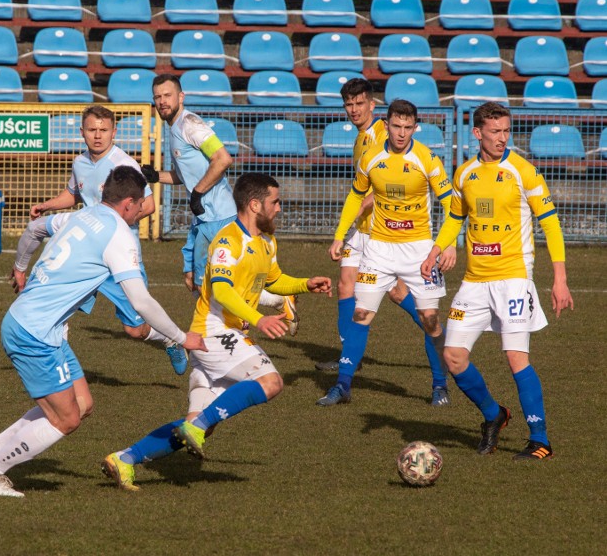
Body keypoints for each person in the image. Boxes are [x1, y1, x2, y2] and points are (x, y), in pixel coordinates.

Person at [0, 166, 206, 497]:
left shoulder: (81, 215)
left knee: (82, 403)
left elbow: (36, 227)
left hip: (40, 327)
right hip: (34, 333)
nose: (142, 212)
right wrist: (181, 337)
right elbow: (141, 301)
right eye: (141, 206)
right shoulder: (119, 234)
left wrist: (21, 267)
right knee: (66, 419)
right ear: (128, 204)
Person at [101, 172, 332, 491]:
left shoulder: (266, 241)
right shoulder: (227, 242)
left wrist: (305, 285)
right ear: (254, 205)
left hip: (219, 338)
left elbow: (273, 280)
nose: (280, 208)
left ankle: (123, 459)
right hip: (214, 331)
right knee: (271, 382)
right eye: (275, 202)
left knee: (196, 427)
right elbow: (221, 291)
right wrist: (259, 318)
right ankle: (197, 427)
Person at [420, 102, 573, 460]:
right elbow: (455, 218)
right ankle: (494, 415)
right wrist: (435, 250)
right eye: (495, 132)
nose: (502, 138)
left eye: (506, 131)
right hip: (474, 281)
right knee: (453, 357)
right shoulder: (464, 173)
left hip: (513, 279)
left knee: (515, 357)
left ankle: (540, 440)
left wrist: (559, 279)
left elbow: (550, 224)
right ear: (477, 133)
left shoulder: (524, 171)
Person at [17, 105, 188, 375]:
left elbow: (150, 206)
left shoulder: (125, 165)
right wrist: (48, 205)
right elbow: (73, 194)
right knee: (60, 307)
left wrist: (113, 226)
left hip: (116, 254)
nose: (98, 135)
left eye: (104, 130)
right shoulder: (80, 162)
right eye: (92, 129)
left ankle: (169, 338)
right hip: (85, 253)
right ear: (82, 132)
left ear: (114, 132)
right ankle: (56, 368)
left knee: (134, 328)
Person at [316, 79, 453, 406]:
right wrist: (340, 234)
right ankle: (343, 383)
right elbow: (357, 192)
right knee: (360, 310)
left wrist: (448, 243)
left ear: (414, 128)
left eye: (407, 127)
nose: (401, 132)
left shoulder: (426, 160)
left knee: (429, 318)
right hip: (377, 243)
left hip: (417, 247)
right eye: (397, 126)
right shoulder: (370, 150)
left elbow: (452, 203)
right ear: (389, 124)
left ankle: (439, 385)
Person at [142, 73, 299, 335]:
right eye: (157, 97)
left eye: (167, 95)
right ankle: (262, 308)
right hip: (203, 218)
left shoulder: (190, 123)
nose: (162, 101)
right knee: (193, 279)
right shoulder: (173, 128)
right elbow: (187, 176)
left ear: (181, 97)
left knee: (214, 282)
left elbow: (223, 159)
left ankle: (231, 327)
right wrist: (156, 176)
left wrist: (198, 193)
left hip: (218, 218)